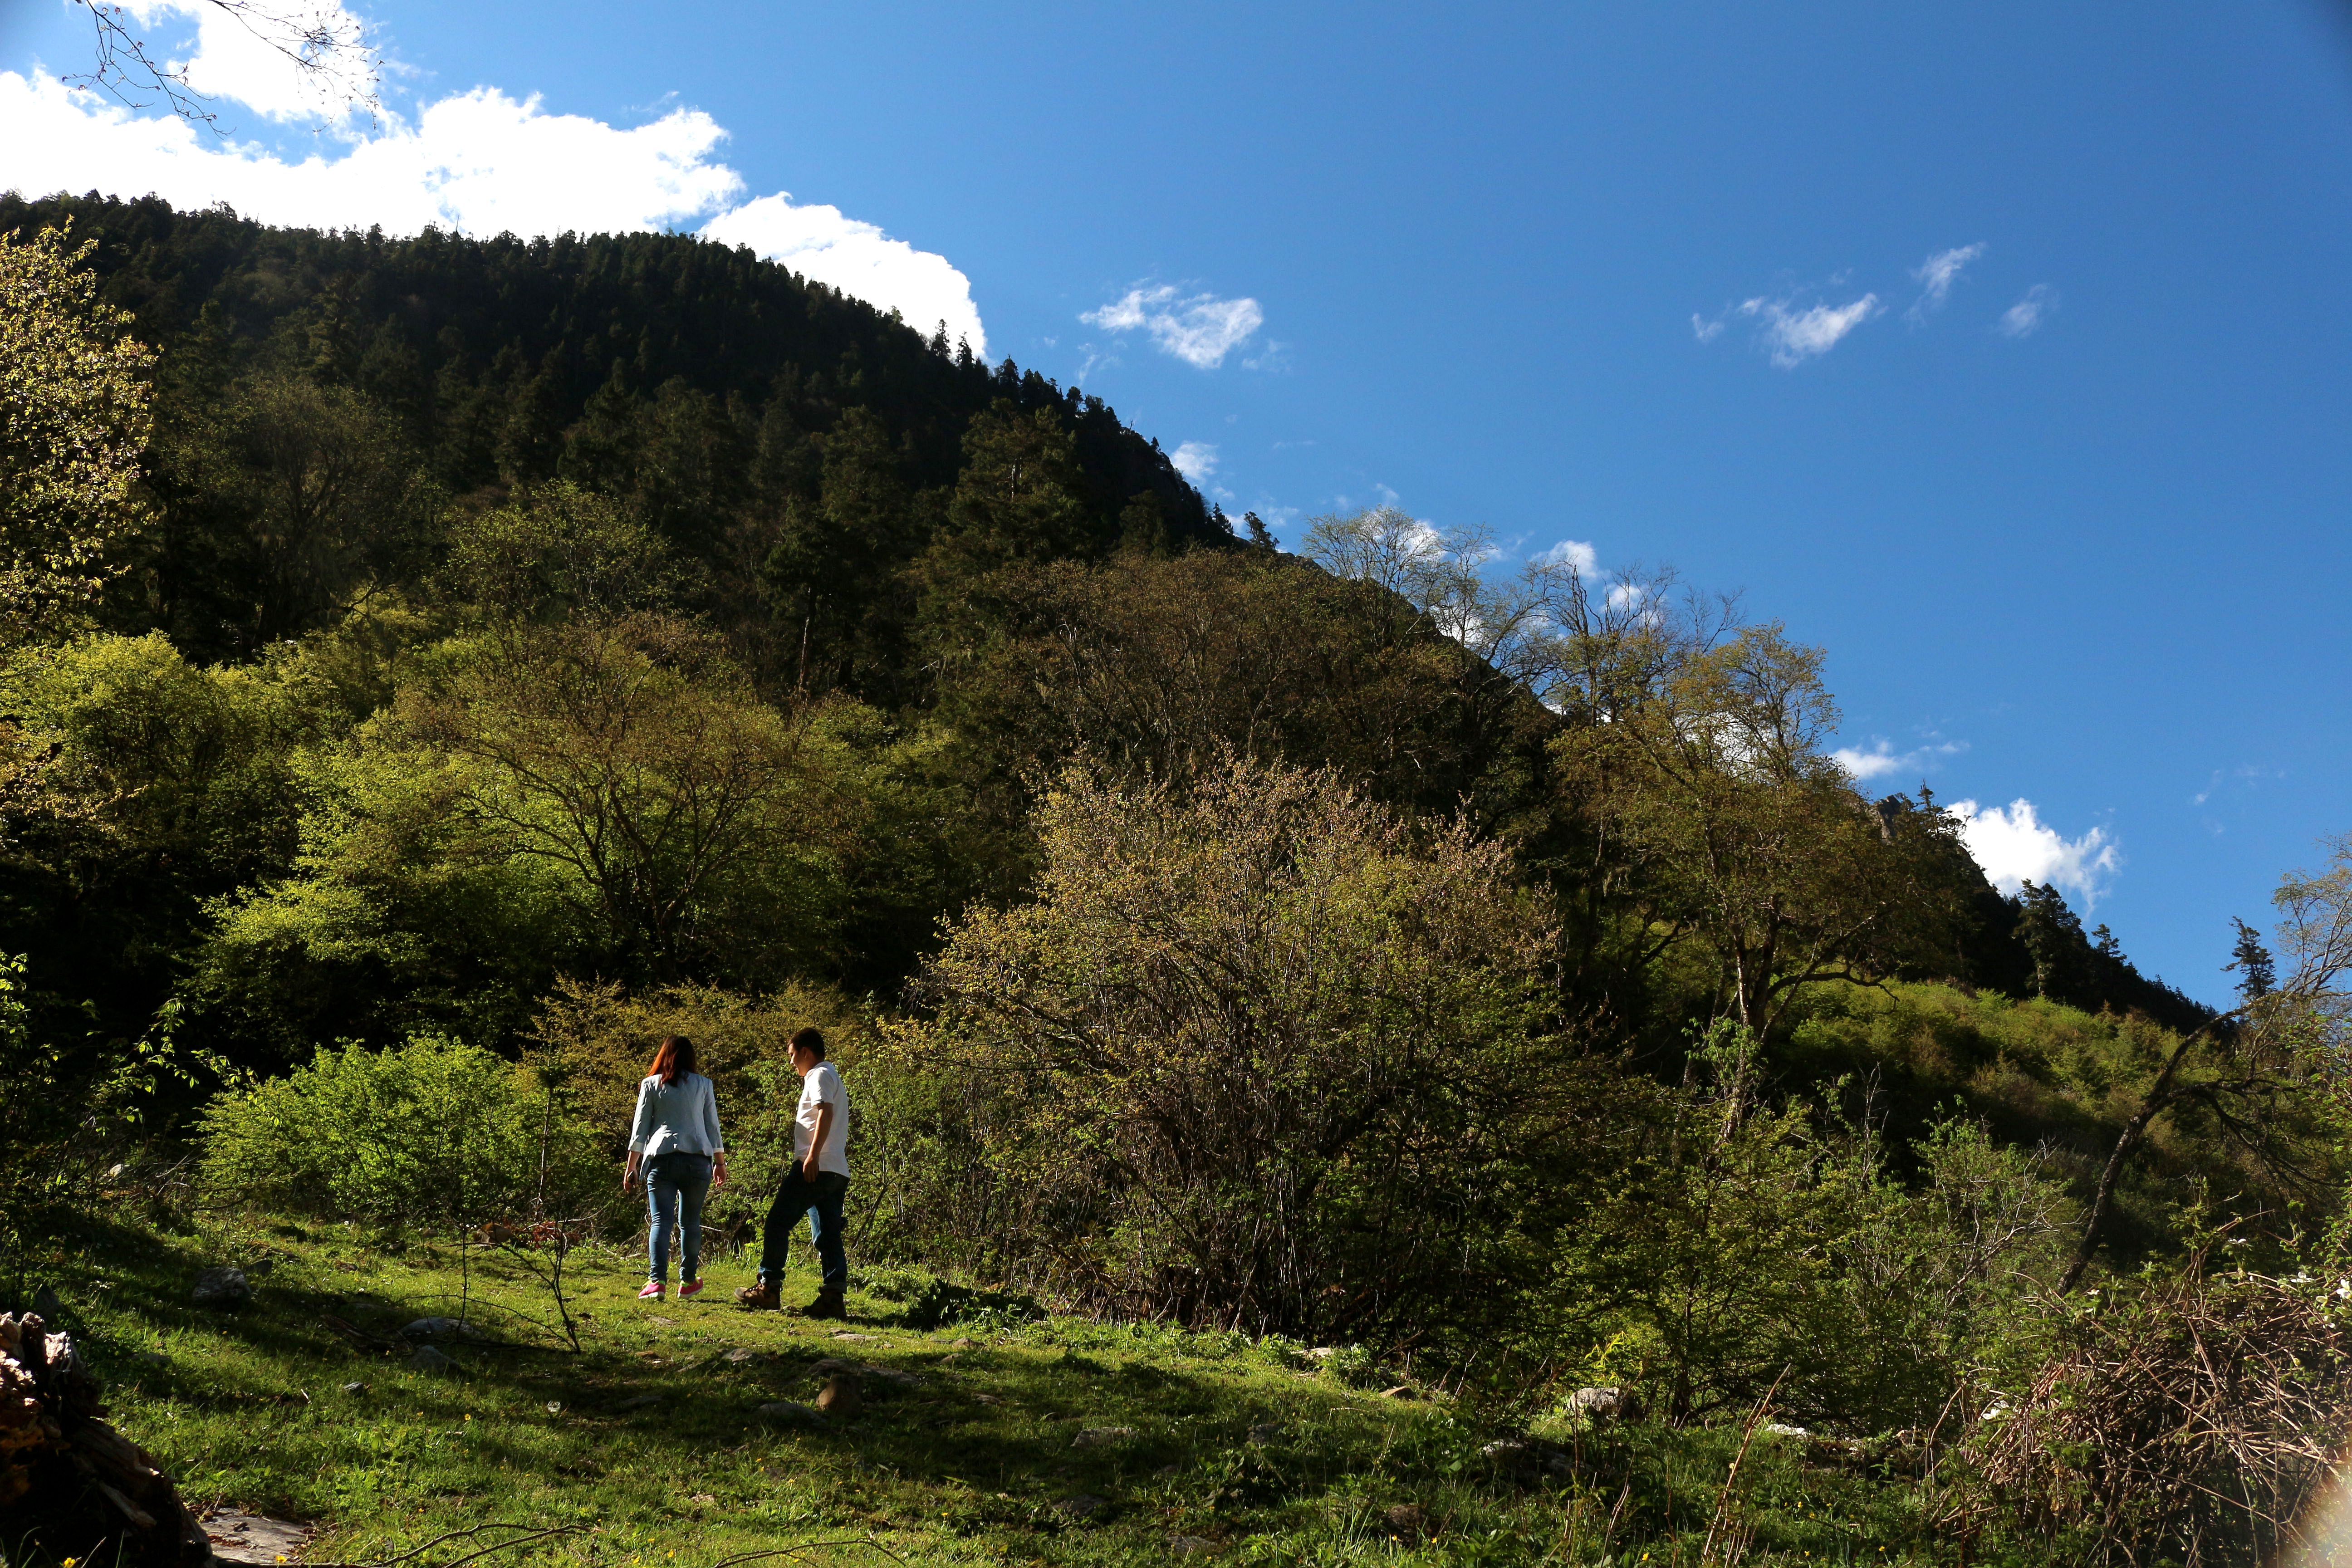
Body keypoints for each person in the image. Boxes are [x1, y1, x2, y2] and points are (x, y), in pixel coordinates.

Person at [737, 1026, 849, 1316]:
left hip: (817, 1166)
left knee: (777, 1222)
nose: (791, 1063)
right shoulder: (833, 1074)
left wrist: (811, 1156)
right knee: (828, 1234)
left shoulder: (819, 1074)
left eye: (793, 1055)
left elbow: (825, 1110)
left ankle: (768, 1287)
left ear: (806, 1052)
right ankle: (833, 1298)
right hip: (836, 1170)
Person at [624, 1034, 727, 1301]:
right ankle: (688, 1282)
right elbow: (712, 1126)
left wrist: (631, 1167)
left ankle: (656, 1282)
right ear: (690, 1058)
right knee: (691, 1222)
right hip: (698, 1159)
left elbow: (640, 1130)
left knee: (661, 1220)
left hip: (662, 1158)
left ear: (663, 1055)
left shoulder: (650, 1085)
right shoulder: (704, 1084)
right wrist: (720, 1162)